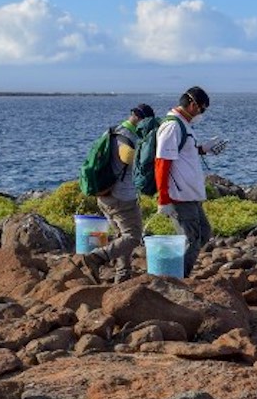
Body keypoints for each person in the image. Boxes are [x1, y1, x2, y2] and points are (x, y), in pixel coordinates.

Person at [77, 103, 156, 283]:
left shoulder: (111, 131)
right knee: (133, 237)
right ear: (139, 118)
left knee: (122, 236)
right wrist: (148, 157)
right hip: (121, 196)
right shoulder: (126, 136)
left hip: (105, 193)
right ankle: (97, 257)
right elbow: (127, 157)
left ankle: (122, 275)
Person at [155, 86, 227, 278]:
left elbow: (184, 153)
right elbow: (162, 162)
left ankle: (176, 275)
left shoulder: (184, 125)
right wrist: (164, 199)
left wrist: (203, 149)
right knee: (190, 239)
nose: (202, 114)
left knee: (203, 233)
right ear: (193, 105)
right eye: (202, 109)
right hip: (179, 195)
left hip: (190, 194)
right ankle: (177, 278)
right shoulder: (172, 126)